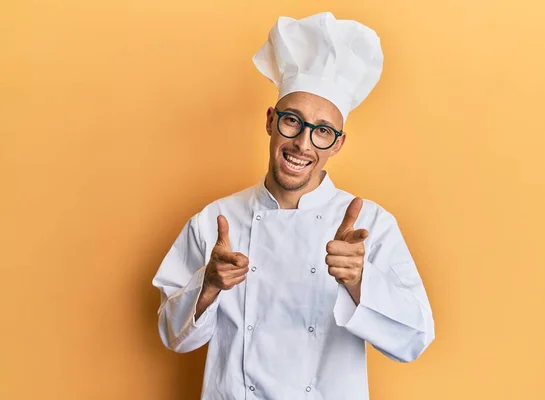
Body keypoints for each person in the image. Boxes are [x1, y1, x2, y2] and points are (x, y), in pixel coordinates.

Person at [152, 11, 435, 400]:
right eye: (292, 122)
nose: (303, 144)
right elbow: (172, 336)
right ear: (271, 121)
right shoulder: (214, 221)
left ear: (337, 143)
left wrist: (358, 281)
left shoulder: (372, 224)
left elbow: (414, 340)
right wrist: (210, 284)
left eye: (322, 131)